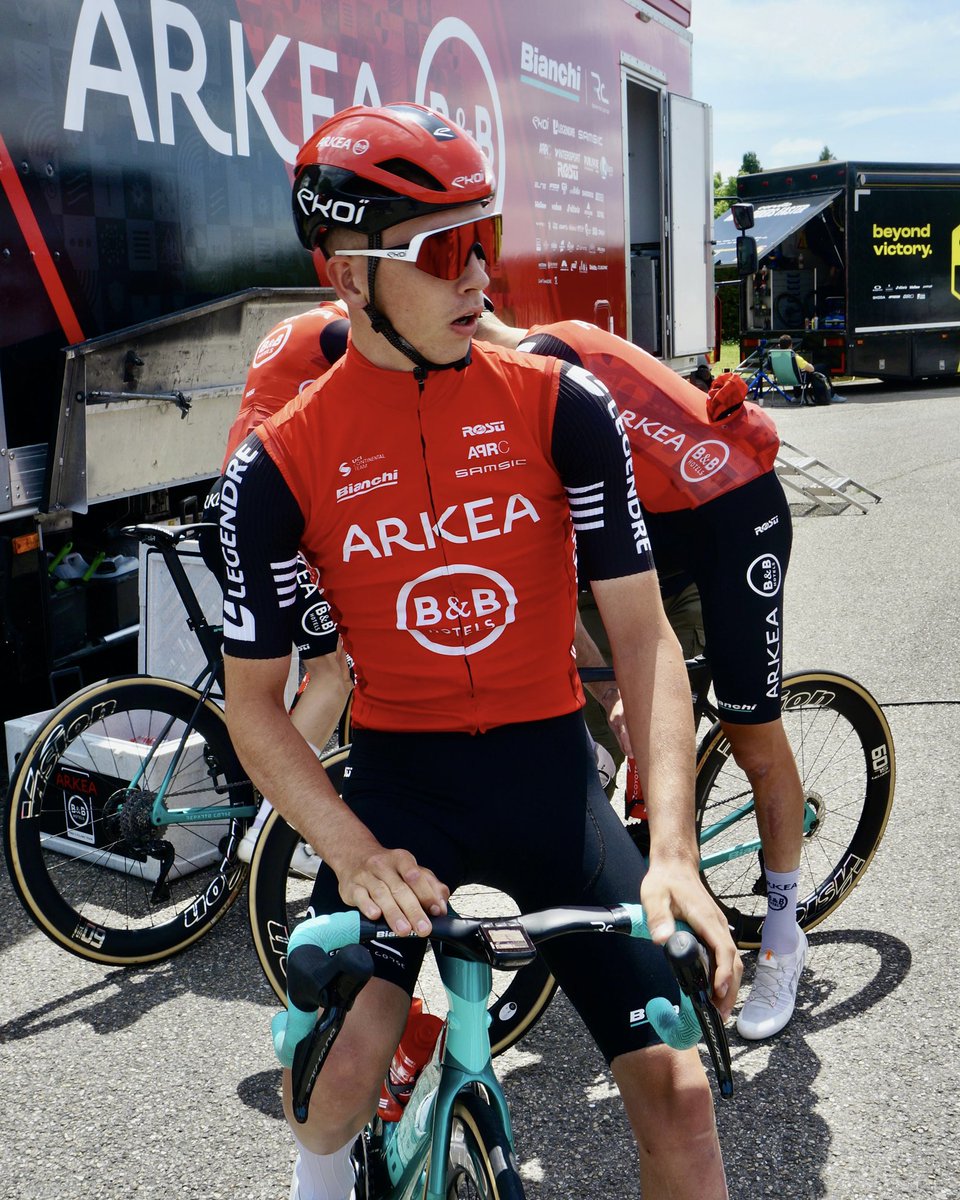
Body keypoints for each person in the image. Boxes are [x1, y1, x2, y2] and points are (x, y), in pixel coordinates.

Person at [217, 102, 740, 1200]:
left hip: (552, 778)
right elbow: (255, 705)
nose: (480, 279)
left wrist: (677, 854)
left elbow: (642, 638)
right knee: (335, 1085)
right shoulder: (280, 464)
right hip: (405, 794)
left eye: (485, 242)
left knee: (684, 1104)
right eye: (446, 251)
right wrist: (351, 853)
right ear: (349, 276)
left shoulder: (562, 405)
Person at [478, 311, 810, 1042]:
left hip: (734, 515)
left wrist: (621, 688)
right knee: (601, 711)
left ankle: (784, 937)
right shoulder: (535, 349)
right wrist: (607, 692)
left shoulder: (538, 374)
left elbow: (549, 558)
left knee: (753, 736)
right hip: (662, 523)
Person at [199, 301, 354, 770]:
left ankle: (270, 786)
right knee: (333, 675)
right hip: (263, 514)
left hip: (230, 500)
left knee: (304, 669)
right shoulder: (337, 330)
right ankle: (276, 824)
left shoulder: (296, 327)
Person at [776, 334, 843, 402]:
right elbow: (811, 369)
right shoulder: (794, 358)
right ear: (790, 345)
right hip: (797, 379)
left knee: (795, 372)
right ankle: (831, 395)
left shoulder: (775, 358)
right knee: (823, 367)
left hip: (783, 379)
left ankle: (797, 396)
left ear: (779, 346)